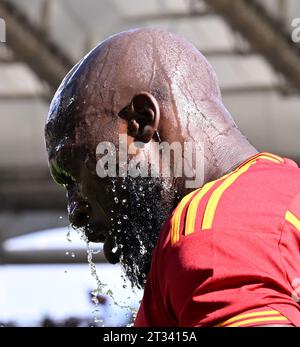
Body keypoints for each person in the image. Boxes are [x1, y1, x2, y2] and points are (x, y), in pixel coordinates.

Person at [45, 28, 300, 327]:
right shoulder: (283, 187)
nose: (74, 212)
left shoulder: (212, 236)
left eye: (73, 174)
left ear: (140, 123)